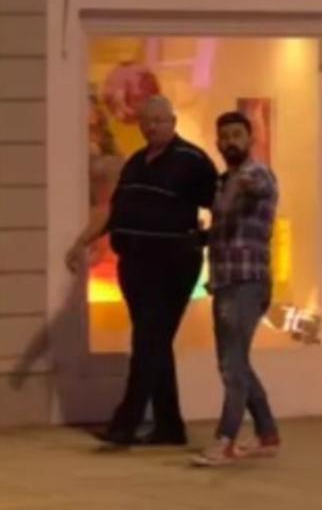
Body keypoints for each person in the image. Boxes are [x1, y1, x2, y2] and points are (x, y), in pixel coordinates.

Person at [67, 95, 218, 447]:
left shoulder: (193, 161)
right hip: (135, 265)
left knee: (148, 340)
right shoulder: (135, 163)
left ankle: (125, 423)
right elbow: (113, 211)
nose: (152, 127)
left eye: (159, 121)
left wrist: (205, 240)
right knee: (155, 342)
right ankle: (169, 427)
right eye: (147, 121)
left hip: (173, 265)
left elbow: (223, 206)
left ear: (173, 122)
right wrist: (82, 242)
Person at [192, 111, 280, 467]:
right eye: (225, 136)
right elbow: (224, 227)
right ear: (217, 142)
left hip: (247, 282)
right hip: (226, 281)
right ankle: (267, 433)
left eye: (237, 135)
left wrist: (226, 193)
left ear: (250, 139)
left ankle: (225, 439)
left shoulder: (255, 174)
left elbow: (247, 189)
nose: (230, 141)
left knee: (232, 366)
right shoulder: (224, 180)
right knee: (236, 362)